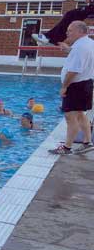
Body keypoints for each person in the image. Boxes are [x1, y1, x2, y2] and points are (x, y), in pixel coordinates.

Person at [49, 21, 94, 154]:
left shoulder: (80, 48)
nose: (67, 33)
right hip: (86, 84)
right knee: (80, 114)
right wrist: (68, 50)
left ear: (80, 31)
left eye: (70, 30)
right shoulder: (89, 43)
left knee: (70, 117)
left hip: (75, 86)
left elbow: (74, 70)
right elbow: (82, 59)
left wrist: (64, 87)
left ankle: (67, 148)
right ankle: (87, 142)